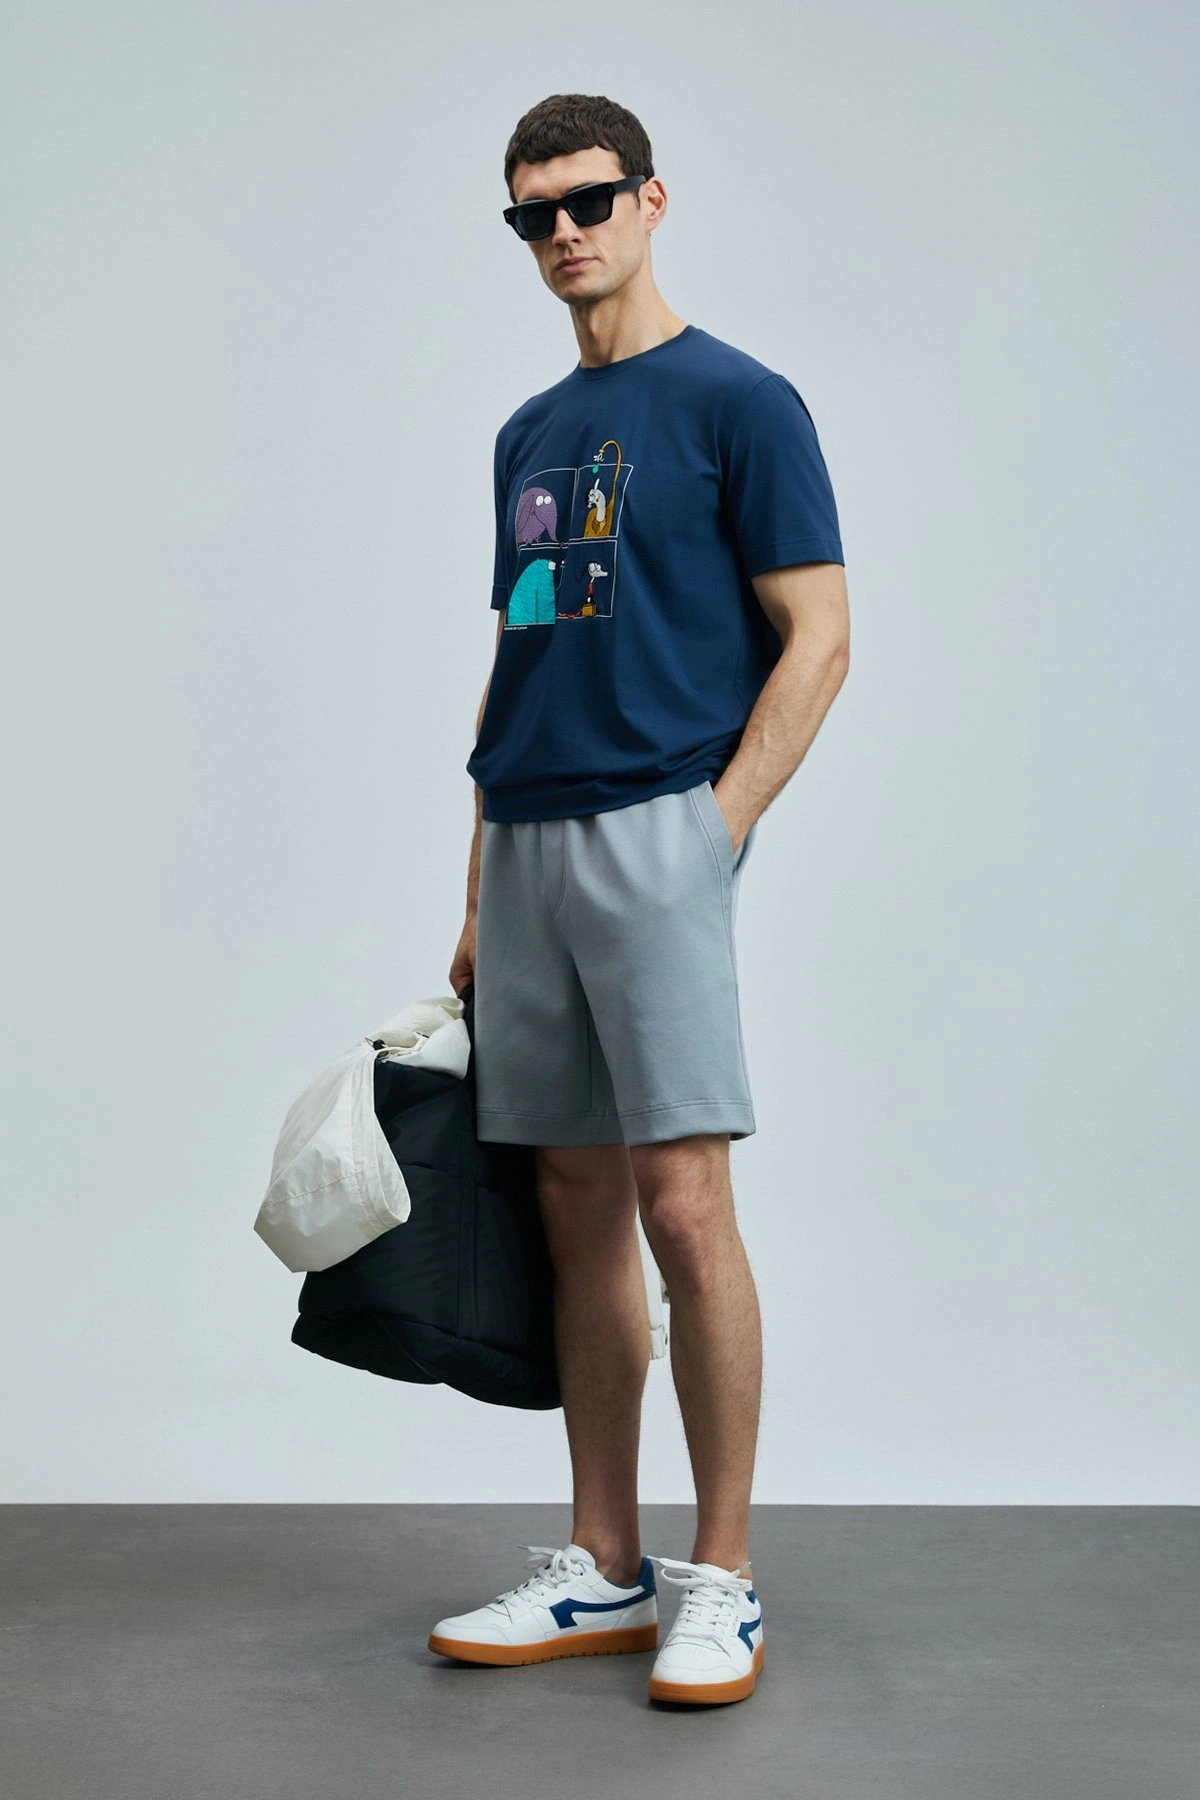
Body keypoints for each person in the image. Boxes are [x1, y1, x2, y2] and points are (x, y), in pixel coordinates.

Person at [435, 92, 850, 1707]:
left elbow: (819, 636)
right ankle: (603, 1564)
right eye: (533, 213)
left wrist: (713, 831)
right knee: (575, 1208)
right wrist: (477, 883)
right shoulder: (527, 433)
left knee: (685, 1204)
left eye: (588, 201)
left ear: (651, 200)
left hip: (656, 829)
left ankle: (721, 1578)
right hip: (528, 845)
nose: (563, 234)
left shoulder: (743, 401)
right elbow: (518, 659)